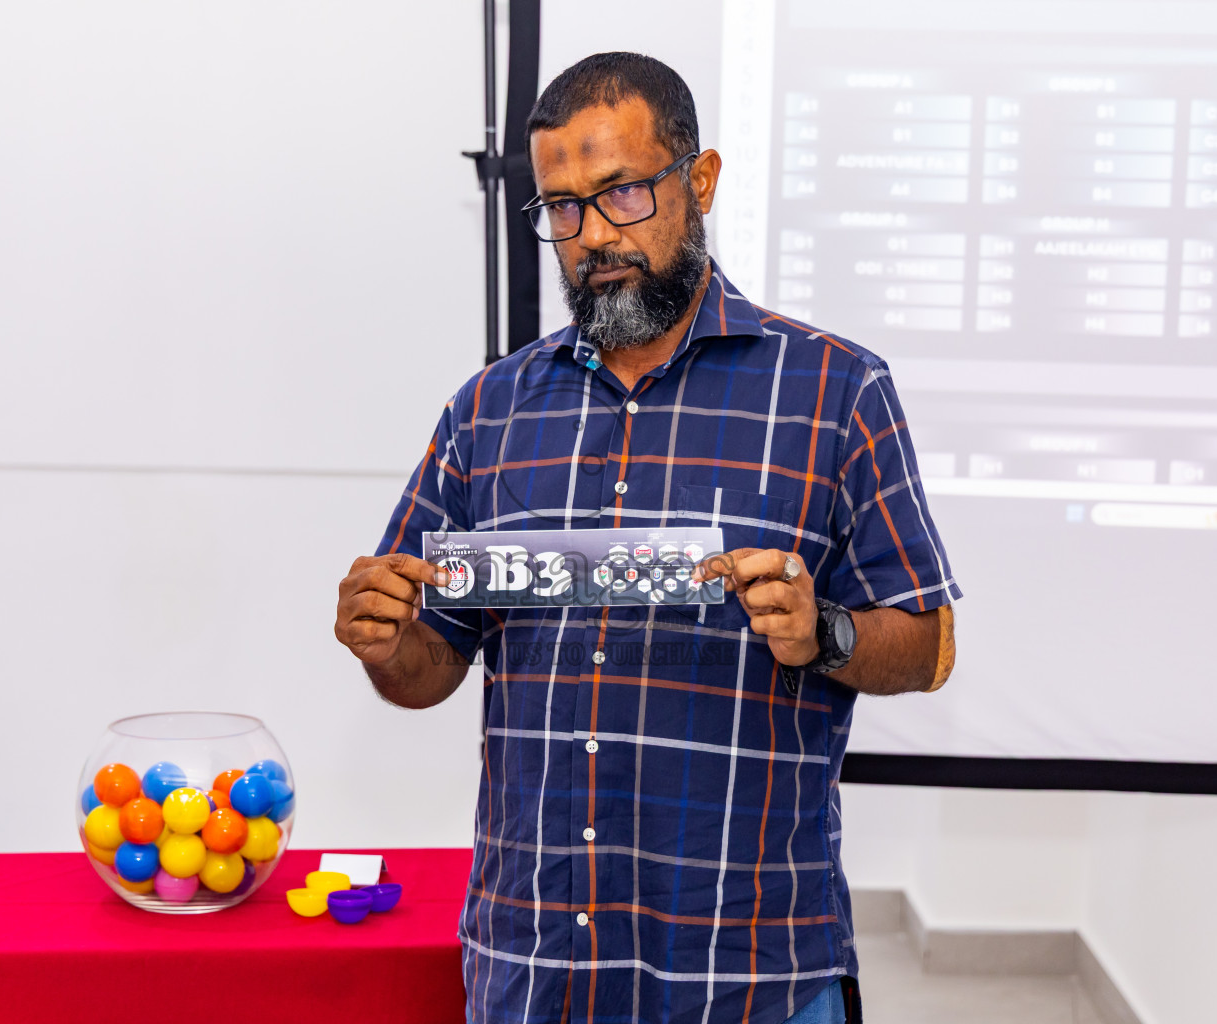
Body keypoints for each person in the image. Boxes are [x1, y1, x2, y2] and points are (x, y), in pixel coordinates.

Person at [335, 52, 960, 1024]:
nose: (593, 235)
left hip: (752, 972)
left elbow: (928, 646)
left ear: (698, 180)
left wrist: (823, 633)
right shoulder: (487, 411)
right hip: (535, 968)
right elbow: (428, 668)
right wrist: (384, 640)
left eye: (623, 192)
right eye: (562, 208)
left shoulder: (837, 391)